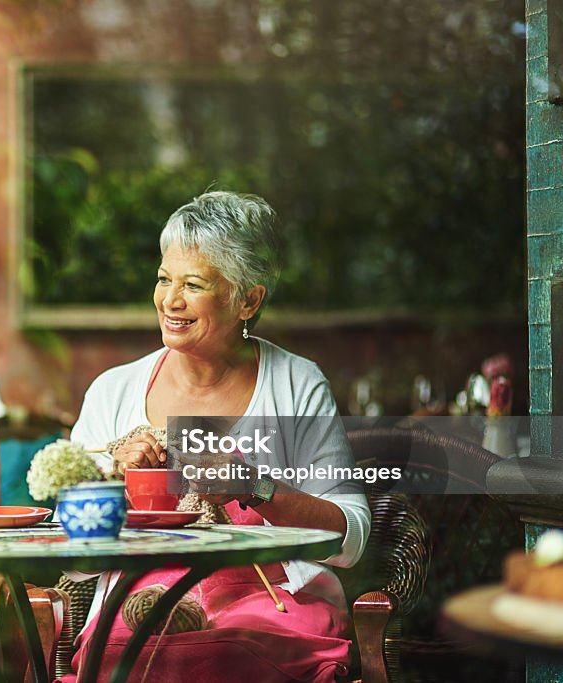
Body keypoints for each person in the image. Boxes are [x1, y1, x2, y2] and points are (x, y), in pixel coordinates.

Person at [69, 191, 371, 682]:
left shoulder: (295, 383)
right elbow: (71, 552)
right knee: (142, 644)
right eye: (164, 278)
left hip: (272, 604)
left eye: (193, 284)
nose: (170, 299)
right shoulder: (113, 390)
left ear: (247, 299)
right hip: (139, 603)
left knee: (223, 652)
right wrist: (111, 480)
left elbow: (349, 537)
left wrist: (256, 487)